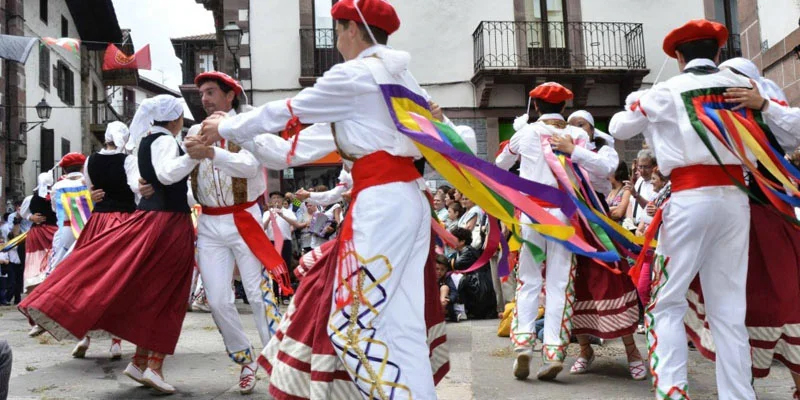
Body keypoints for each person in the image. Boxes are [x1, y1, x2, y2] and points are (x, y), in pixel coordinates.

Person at [196, 0, 449, 397]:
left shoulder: (354, 76)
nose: (336, 40)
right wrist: (240, 133)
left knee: (350, 330)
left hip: (381, 207)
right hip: (408, 203)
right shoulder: (403, 82)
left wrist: (230, 124)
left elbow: (289, 110)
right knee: (401, 326)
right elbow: (285, 152)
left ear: (351, 30)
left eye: (337, 30)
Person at [610, 19, 756, 399]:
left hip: (690, 200)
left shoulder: (666, 90)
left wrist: (634, 102)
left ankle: (674, 391)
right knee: (728, 308)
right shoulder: (741, 87)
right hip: (736, 201)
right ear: (719, 52)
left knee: (665, 301)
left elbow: (619, 128)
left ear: (677, 56)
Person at [20, 95, 195, 394]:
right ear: (176, 120)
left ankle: (140, 362)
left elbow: (122, 186)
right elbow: (164, 176)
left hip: (131, 219)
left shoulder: (141, 144)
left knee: (130, 282)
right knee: (168, 294)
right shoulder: (165, 144)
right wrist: (196, 156)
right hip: (166, 223)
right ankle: (152, 365)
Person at [682, 57, 800, 398]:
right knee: (732, 308)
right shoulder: (706, 116)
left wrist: (762, 105)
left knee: (785, 300)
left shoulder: (767, 111)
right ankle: (740, 389)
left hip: (768, 215)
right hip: (727, 216)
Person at [180, 71, 287, 394]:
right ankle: (245, 359)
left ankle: (279, 362)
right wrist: (148, 183)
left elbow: (250, 167)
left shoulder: (248, 125)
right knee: (216, 300)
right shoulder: (195, 132)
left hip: (245, 219)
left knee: (258, 294)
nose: (205, 99)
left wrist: (211, 153)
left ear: (231, 96)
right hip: (211, 224)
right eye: (202, 94)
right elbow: (185, 180)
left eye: (211, 92)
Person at [495, 82, 590, 381]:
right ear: (565, 108)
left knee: (529, 280)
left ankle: (523, 342)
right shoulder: (577, 135)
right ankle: (554, 350)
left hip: (531, 215)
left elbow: (500, 164)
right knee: (559, 283)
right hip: (563, 215)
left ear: (536, 107)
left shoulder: (525, 133)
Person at [557, 111, 645, 380]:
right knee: (576, 286)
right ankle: (584, 351)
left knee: (611, 282)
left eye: (581, 124)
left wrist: (574, 150)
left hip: (598, 226)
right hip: (571, 226)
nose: (575, 129)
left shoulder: (604, 153)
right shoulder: (557, 154)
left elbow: (605, 171)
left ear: (592, 130)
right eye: (570, 125)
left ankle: (633, 353)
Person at [69, 121, 139, 361]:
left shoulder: (90, 161)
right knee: (119, 282)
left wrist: (95, 195)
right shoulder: (129, 161)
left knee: (91, 279)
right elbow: (136, 191)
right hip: (124, 224)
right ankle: (116, 341)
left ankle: (85, 336)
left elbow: (90, 189)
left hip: (98, 223)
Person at [47, 152, 88, 273]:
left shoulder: (58, 186)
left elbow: (55, 209)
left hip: (66, 228)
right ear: (83, 167)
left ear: (64, 170)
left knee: (58, 266)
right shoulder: (88, 182)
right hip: (88, 229)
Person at [450, 227, 496, 319]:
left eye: (453, 239)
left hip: (478, 286)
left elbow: (456, 265)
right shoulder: (463, 251)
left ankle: (460, 310)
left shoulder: (467, 251)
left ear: (462, 241)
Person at [626, 149, 656, 233]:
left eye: (646, 167)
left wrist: (636, 195)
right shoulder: (640, 181)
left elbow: (650, 208)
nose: (642, 171)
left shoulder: (656, 184)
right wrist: (629, 220)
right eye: (640, 167)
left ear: (654, 166)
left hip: (645, 229)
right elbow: (631, 203)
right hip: (634, 226)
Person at [435, 254, 457, 322]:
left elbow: (454, 292)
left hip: (444, 303)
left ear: (446, 270)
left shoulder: (446, 278)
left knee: (444, 287)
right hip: (432, 303)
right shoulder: (429, 277)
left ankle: (441, 312)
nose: (439, 272)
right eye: (437, 269)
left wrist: (448, 300)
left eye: (442, 270)